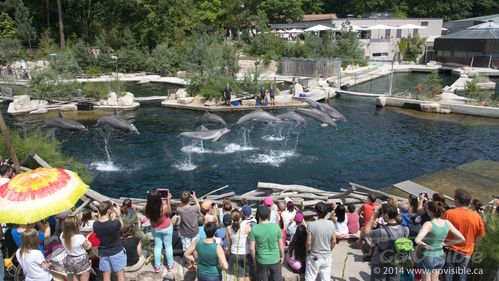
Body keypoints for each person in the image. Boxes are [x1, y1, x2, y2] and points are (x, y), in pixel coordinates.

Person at [415, 201, 465, 281]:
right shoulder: (447, 223)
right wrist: (445, 243)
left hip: (427, 255)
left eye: (427, 208)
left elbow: (417, 239)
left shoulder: (428, 224)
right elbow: (461, 238)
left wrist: (422, 243)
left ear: (430, 211)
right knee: (435, 279)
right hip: (440, 255)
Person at [443, 189, 485, 281]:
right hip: (467, 251)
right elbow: (479, 236)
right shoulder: (477, 217)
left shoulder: (449, 213)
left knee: (447, 276)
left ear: (457, 200)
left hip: (450, 249)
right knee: (461, 276)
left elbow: (442, 232)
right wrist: (471, 243)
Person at [364, 204, 409, 281]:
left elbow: (366, 232)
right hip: (396, 262)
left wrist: (373, 216)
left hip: (379, 263)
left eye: (382, 214)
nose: (381, 216)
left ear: (386, 215)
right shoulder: (405, 230)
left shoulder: (381, 231)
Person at [93, 201, 126, 281]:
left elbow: (103, 222)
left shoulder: (95, 225)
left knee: (106, 274)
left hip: (103, 253)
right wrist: (118, 214)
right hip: (116, 251)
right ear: (108, 211)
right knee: (120, 274)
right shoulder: (115, 223)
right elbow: (122, 226)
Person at [249, 205, 284, 281]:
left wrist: (254, 260)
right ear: (269, 215)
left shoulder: (254, 229)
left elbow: (252, 248)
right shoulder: (276, 227)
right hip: (275, 258)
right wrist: (282, 256)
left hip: (261, 259)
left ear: (258, 215)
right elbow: (281, 245)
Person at [144, 188, 175, 273]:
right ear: (159, 198)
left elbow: (147, 215)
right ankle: (170, 266)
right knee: (168, 246)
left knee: (157, 247)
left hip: (155, 229)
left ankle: (157, 267)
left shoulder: (146, 207)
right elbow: (170, 213)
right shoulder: (164, 207)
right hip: (167, 228)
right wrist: (168, 200)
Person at [305, 202, 336, 281]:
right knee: (326, 278)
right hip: (327, 256)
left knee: (310, 277)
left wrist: (308, 251)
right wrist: (330, 250)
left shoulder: (311, 225)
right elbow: (334, 241)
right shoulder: (331, 223)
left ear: (316, 212)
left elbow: (308, 242)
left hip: (315, 256)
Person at [60, 217, 92, 281]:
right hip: (81, 260)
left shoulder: (62, 235)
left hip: (69, 259)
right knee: (84, 278)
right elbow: (88, 247)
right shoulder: (79, 237)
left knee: (74, 277)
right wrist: (88, 241)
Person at [176, 191, 200, 270]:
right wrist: (195, 197)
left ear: (181, 200)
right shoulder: (194, 208)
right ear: (190, 199)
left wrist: (182, 202)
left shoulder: (179, 209)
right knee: (195, 249)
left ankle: (189, 264)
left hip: (185, 233)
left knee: (186, 250)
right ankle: (196, 263)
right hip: (194, 231)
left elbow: (178, 208)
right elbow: (199, 207)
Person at [226, 209, 252, 281]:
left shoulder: (228, 228)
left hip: (234, 253)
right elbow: (252, 240)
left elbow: (228, 243)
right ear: (241, 217)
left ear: (231, 218)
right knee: (247, 275)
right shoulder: (247, 227)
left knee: (240, 275)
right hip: (246, 253)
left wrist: (228, 252)